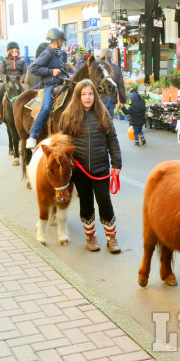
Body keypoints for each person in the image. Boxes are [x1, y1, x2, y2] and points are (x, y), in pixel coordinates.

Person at [59, 79, 122, 253]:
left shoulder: (103, 114)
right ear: (78, 96)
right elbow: (62, 143)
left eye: (91, 94)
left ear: (95, 95)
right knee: (86, 203)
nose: (87, 98)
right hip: (79, 170)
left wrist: (116, 163)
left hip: (101, 168)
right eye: (84, 94)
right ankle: (91, 237)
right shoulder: (68, 116)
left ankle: (112, 238)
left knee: (105, 202)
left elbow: (113, 140)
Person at [26, 29, 69, 149]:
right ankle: (33, 136)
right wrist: (51, 72)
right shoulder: (47, 53)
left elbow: (60, 69)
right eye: (61, 40)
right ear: (56, 41)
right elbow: (34, 68)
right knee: (45, 108)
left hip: (61, 84)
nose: (62, 43)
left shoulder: (58, 53)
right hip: (50, 86)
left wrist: (67, 75)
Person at [0, 42, 27, 126]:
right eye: (13, 51)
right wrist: (6, 80)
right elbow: (0, 72)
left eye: (16, 51)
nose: (15, 53)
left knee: (28, 96)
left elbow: (26, 72)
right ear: (9, 52)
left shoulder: (22, 61)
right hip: (8, 83)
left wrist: (22, 79)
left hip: (19, 83)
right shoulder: (4, 61)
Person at [98, 48, 125, 119]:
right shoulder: (117, 69)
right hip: (112, 98)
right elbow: (121, 86)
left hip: (101, 98)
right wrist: (122, 100)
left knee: (100, 119)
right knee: (110, 119)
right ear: (111, 57)